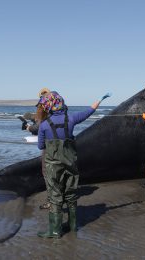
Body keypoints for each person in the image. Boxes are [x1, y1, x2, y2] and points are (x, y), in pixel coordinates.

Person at [37, 91, 110, 238]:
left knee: (55, 195)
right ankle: (72, 226)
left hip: (53, 167)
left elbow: (40, 146)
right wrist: (100, 99)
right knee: (71, 194)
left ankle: (55, 231)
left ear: (49, 106)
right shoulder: (71, 118)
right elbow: (90, 111)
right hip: (70, 164)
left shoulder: (44, 125)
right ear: (61, 102)